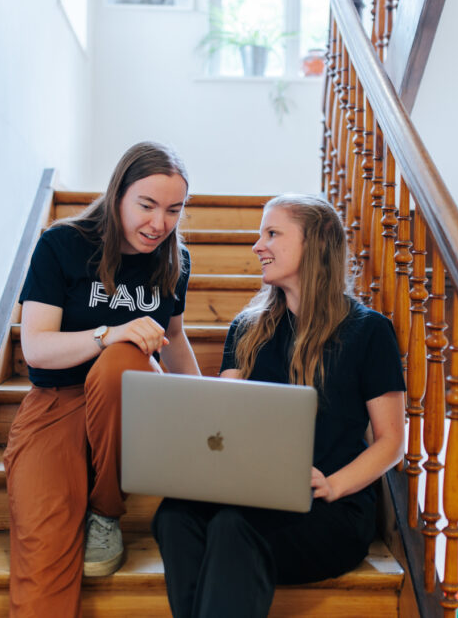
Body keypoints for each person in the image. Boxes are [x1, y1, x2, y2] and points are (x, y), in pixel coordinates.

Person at [152, 193, 407, 618]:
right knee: (174, 517)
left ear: (317, 242)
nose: (258, 246)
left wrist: (333, 485)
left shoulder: (369, 332)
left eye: (272, 233)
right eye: (259, 234)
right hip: (252, 495)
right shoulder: (247, 329)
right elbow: (220, 420)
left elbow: (392, 440)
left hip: (330, 508)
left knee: (233, 529)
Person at [3, 141, 201, 617]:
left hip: (133, 401)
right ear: (118, 195)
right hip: (56, 402)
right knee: (43, 554)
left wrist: (204, 404)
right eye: (147, 205)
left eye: (174, 210)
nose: (160, 224)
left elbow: (172, 335)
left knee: (122, 361)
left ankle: (106, 511)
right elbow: (36, 348)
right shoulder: (62, 244)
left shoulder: (176, 260)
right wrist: (108, 333)